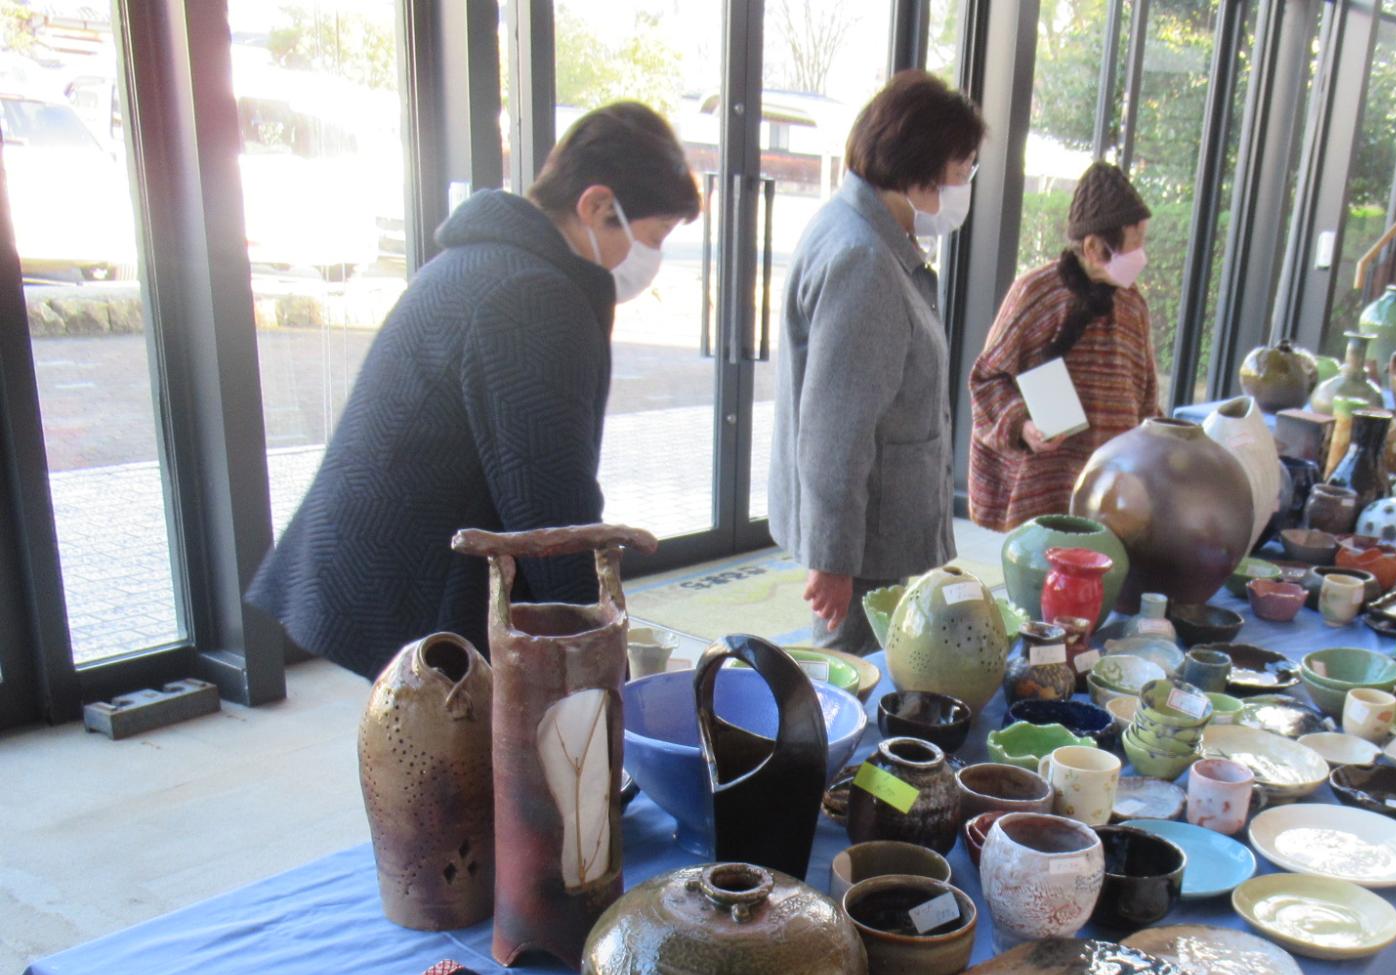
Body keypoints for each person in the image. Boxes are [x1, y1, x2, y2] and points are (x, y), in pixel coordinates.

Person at [248, 104, 701, 680]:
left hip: (375, 569)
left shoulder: (483, 259)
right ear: (594, 205)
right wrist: (601, 651)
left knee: (418, 750)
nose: (652, 259)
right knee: (461, 758)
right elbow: (551, 512)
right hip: (415, 589)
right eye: (654, 235)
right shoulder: (532, 297)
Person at [767, 71, 986, 653]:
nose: (966, 183)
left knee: (869, 666)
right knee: (850, 672)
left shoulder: (861, 229)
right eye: (963, 168)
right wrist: (833, 558)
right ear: (922, 166)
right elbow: (837, 427)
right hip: (869, 535)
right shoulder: (865, 259)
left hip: (878, 520)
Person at [967, 162, 1160, 532]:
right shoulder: (1035, 292)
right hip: (1042, 480)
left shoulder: (1133, 303)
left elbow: (1146, 397)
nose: (1142, 253)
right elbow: (987, 380)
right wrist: (1023, 425)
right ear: (1093, 247)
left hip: (1111, 487)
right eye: (1135, 242)